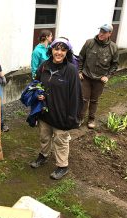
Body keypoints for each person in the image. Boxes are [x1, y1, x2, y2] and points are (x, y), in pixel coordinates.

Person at [30, 38, 83, 180]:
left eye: (63, 50)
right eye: (56, 49)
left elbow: (75, 96)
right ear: (51, 50)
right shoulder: (44, 66)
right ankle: (43, 155)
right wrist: (38, 95)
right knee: (44, 137)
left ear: (67, 52)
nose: (59, 52)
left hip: (62, 114)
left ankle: (62, 166)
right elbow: (36, 84)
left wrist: (72, 117)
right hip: (45, 112)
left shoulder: (71, 70)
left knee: (61, 140)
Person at [78, 24, 119, 128]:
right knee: (83, 99)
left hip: (100, 79)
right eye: (100, 31)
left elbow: (115, 64)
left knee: (94, 100)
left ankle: (91, 119)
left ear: (110, 34)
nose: (101, 33)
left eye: (104, 32)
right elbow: (81, 57)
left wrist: (108, 76)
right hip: (86, 76)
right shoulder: (89, 43)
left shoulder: (113, 47)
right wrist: (79, 71)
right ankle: (80, 118)